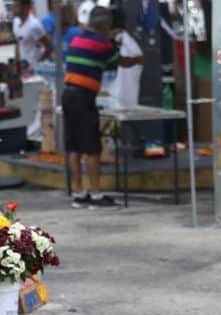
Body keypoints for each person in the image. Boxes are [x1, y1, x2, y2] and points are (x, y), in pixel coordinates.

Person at [62, 6, 144, 208]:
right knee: (92, 148)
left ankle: (79, 193)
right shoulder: (102, 45)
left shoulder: (77, 39)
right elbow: (120, 62)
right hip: (83, 97)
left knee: (74, 147)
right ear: (106, 26)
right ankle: (97, 194)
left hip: (68, 94)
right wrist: (138, 60)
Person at [12, 0, 52, 71]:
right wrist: (16, 63)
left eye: (16, 6)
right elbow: (18, 43)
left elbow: (49, 47)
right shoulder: (15, 21)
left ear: (26, 7)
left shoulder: (34, 25)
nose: (13, 8)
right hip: (22, 68)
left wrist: (37, 65)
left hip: (34, 72)